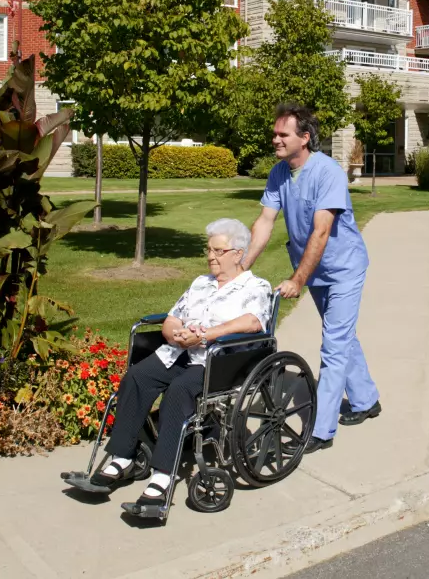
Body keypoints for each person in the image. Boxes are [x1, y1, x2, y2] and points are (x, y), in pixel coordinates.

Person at [78, 218, 272, 516]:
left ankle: (162, 477)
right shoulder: (200, 283)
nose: (211, 256)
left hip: (217, 361)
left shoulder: (255, 286)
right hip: (179, 352)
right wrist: (174, 333)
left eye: (218, 251)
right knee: (138, 376)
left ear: (238, 253)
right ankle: (122, 457)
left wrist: (206, 334)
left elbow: (252, 322)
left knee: (179, 392)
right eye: (208, 249)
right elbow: (173, 317)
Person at [243, 103, 381, 453]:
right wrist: (241, 267)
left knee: (333, 344)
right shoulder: (279, 173)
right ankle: (366, 400)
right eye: (274, 133)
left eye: (282, 134)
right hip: (314, 268)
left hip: (343, 267)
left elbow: (321, 232)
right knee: (342, 335)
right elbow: (264, 223)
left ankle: (321, 431)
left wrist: (297, 279)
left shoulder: (328, 172)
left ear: (304, 138)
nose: (275, 139)